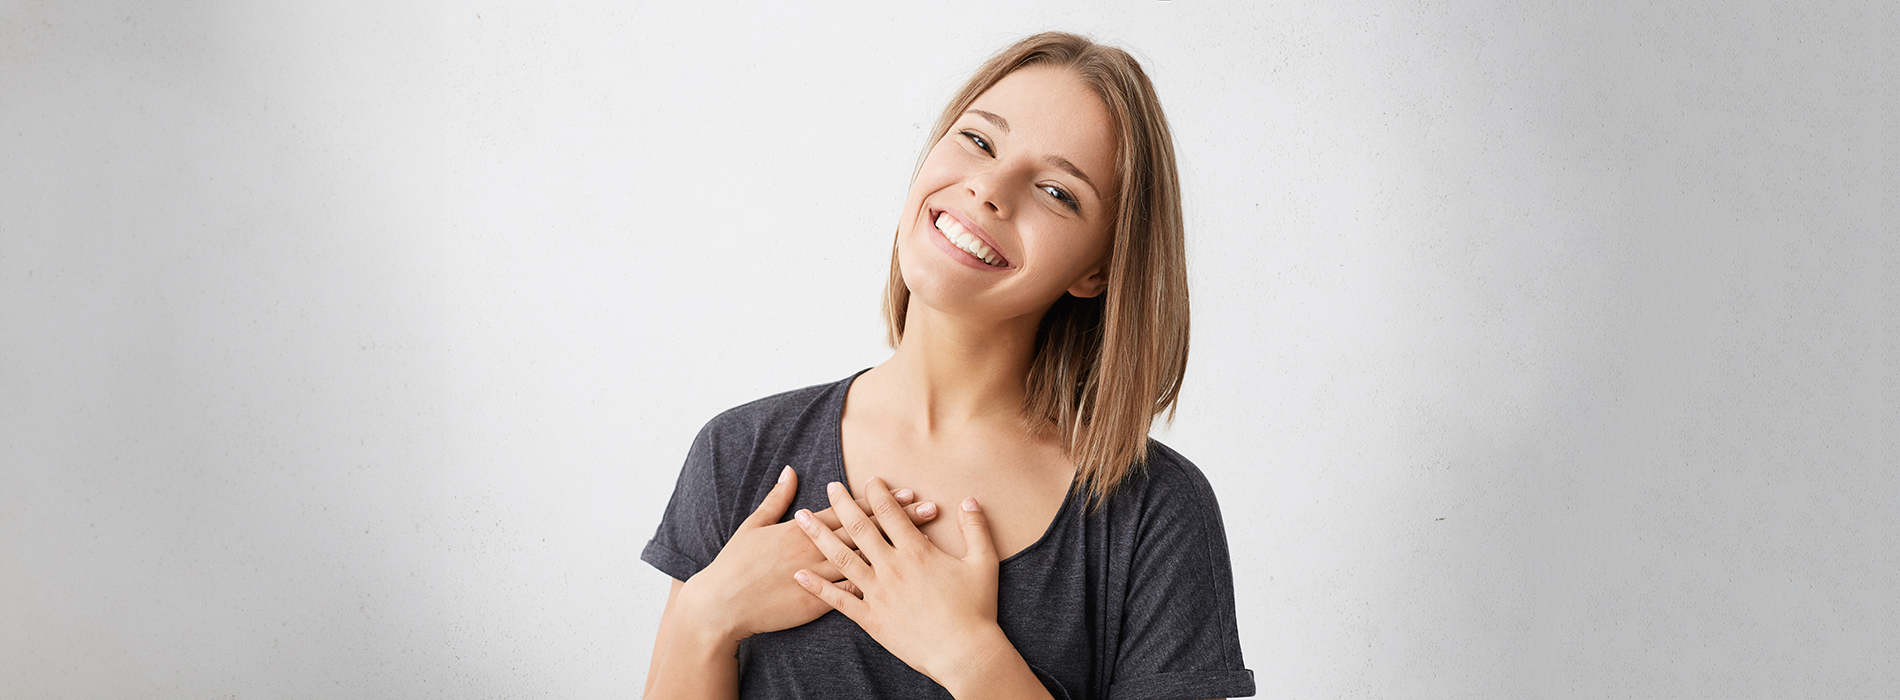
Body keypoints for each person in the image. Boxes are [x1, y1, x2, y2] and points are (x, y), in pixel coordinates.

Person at [641, 32, 1253, 700]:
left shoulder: (1152, 512)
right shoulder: (739, 453)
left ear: (1099, 268)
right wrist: (704, 617)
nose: (988, 187)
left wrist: (970, 658)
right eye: (980, 141)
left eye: (1055, 190)